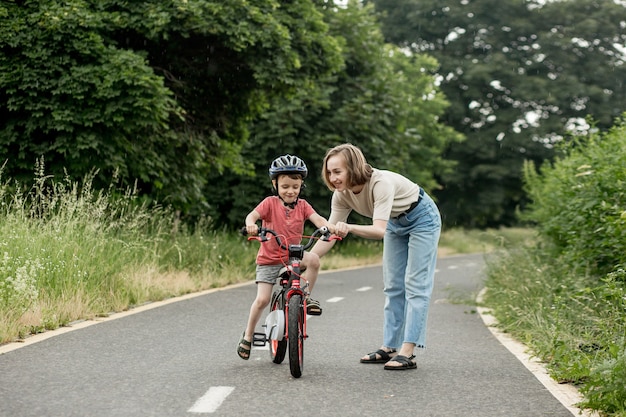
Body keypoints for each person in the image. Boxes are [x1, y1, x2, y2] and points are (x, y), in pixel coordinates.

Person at [311, 143, 441, 370]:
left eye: (338, 172)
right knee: (392, 286)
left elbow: (378, 230)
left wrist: (349, 228)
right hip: (395, 222)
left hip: (422, 218)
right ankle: (389, 347)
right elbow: (330, 233)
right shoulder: (340, 195)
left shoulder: (380, 184)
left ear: (353, 167)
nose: (333, 178)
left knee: (415, 284)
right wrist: (308, 258)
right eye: (330, 172)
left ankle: (407, 352)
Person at [237, 154, 332, 360]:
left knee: (314, 259)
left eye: (295, 187)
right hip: (269, 260)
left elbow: (317, 219)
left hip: (293, 257)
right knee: (262, 299)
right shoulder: (270, 203)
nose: (291, 191)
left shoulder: (303, 206)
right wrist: (252, 225)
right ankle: (248, 335)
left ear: (301, 186)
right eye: (285, 186)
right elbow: (252, 216)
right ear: (275, 184)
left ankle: (306, 297)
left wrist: (326, 227)